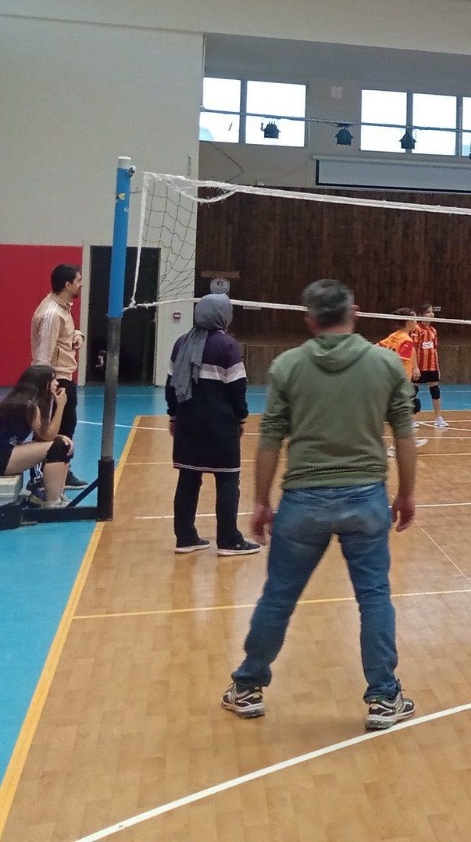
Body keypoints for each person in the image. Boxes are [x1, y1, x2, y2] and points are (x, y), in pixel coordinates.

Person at [222, 279, 419, 731]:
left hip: (302, 502)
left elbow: (270, 438)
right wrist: (406, 494)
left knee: (278, 597)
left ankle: (248, 686)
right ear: (356, 312)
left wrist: (260, 501)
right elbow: (405, 436)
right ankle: (384, 697)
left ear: (310, 321)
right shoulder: (387, 364)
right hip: (366, 499)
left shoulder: (288, 366)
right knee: (374, 598)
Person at [165, 293, 257, 556]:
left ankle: (185, 537)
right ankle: (229, 540)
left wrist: (174, 416)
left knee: (188, 479)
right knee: (227, 479)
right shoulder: (228, 346)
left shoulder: (181, 343)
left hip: (187, 425)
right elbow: (237, 387)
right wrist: (241, 417)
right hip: (220, 426)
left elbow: (171, 387)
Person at [30, 263, 87, 490]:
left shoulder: (63, 308)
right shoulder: (52, 313)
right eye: (79, 280)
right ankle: (42, 478)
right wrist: (49, 384)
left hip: (63, 376)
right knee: (50, 432)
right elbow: (43, 354)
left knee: (66, 427)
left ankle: (61, 469)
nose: (81, 284)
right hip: (55, 380)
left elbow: (65, 335)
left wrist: (78, 335)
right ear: (68, 284)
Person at [0, 365, 74, 509]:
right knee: (57, 447)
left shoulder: (25, 401)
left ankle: (57, 495)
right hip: (3, 456)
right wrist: (60, 405)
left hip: (6, 452)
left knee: (62, 444)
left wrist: (59, 436)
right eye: (53, 380)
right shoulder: (30, 406)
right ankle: (52, 502)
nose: (57, 383)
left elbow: (43, 435)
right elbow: (48, 436)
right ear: (43, 383)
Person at [377, 309, 426, 450]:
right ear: (409, 322)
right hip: (399, 382)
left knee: (405, 412)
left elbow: (377, 347)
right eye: (415, 319)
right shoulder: (406, 340)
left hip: (389, 380)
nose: (416, 322)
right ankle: (394, 448)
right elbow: (400, 359)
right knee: (402, 414)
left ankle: (410, 440)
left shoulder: (394, 336)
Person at [414, 304, 447, 430]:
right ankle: (410, 419)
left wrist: (437, 366)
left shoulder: (433, 330)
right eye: (428, 312)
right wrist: (415, 367)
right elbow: (413, 348)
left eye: (432, 312)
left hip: (432, 366)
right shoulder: (417, 329)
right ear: (421, 314)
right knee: (413, 391)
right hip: (419, 366)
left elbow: (434, 349)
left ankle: (438, 418)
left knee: (435, 390)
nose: (431, 314)